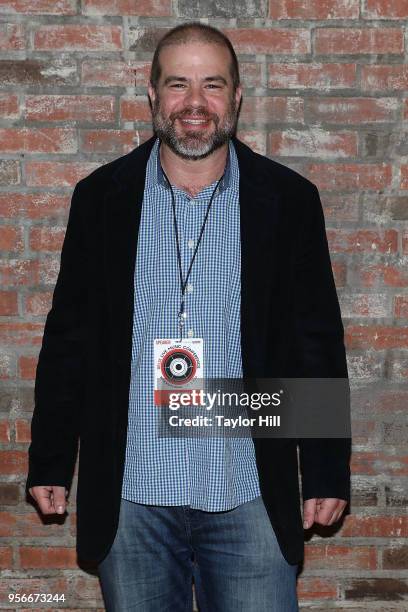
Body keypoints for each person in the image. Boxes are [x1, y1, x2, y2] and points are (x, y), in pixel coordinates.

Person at [26, 22, 351, 612]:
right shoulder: (100, 199)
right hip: (132, 499)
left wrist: (326, 471)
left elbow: (317, 341)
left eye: (212, 85)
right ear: (152, 95)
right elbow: (69, 338)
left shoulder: (288, 200)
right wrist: (50, 458)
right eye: (178, 85)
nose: (195, 104)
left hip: (248, 493)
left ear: (237, 96)